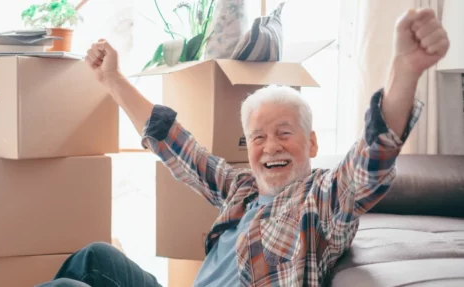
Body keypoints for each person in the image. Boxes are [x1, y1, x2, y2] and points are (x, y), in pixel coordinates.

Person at [37, 8, 449, 287]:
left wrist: (404, 71)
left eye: (284, 133)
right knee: (94, 258)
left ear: (311, 142)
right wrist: (112, 79)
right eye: (258, 136)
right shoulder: (242, 189)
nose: (270, 146)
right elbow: (175, 144)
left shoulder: (320, 202)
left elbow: (370, 163)